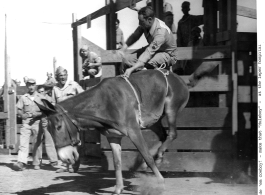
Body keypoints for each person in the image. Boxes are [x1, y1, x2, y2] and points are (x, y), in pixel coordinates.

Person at [120, 6, 177, 78]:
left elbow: (148, 53)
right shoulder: (146, 23)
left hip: (167, 54)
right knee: (127, 59)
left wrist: (132, 69)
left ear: (149, 20)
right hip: (154, 50)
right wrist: (123, 48)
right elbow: (135, 36)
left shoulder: (160, 33)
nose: (139, 23)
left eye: (141, 21)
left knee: (148, 63)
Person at [51, 66, 84, 173]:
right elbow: (53, 104)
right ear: (57, 77)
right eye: (60, 75)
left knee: (74, 141)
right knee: (62, 142)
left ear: (67, 75)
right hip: (61, 120)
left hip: (72, 118)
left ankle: (75, 162)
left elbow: (83, 95)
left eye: (64, 75)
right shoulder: (55, 89)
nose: (63, 77)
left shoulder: (73, 85)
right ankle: (64, 165)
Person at [13, 78, 44, 171]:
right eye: (29, 85)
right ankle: (22, 162)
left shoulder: (41, 97)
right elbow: (18, 109)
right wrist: (22, 115)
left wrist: (38, 114)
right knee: (23, 142)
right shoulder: (23, 97)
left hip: (37, 122)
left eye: (33, 84)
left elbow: (45, 111)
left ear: (36, 85)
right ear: (27, 86)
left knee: (37, 142)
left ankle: (36, 162)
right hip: (26, 123)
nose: (31, 87)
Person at [32, 85, 59, 170]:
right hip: (37, 122)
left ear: (45, 91)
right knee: (37, 141)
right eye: (39, 92)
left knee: (49, 140)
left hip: (47, 121)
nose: (41, 93)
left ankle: (53, 161)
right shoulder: (36, 99)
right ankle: (37, 162)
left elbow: (53, 109)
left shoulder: (49, 99)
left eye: (42, 91)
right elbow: (34, 112)